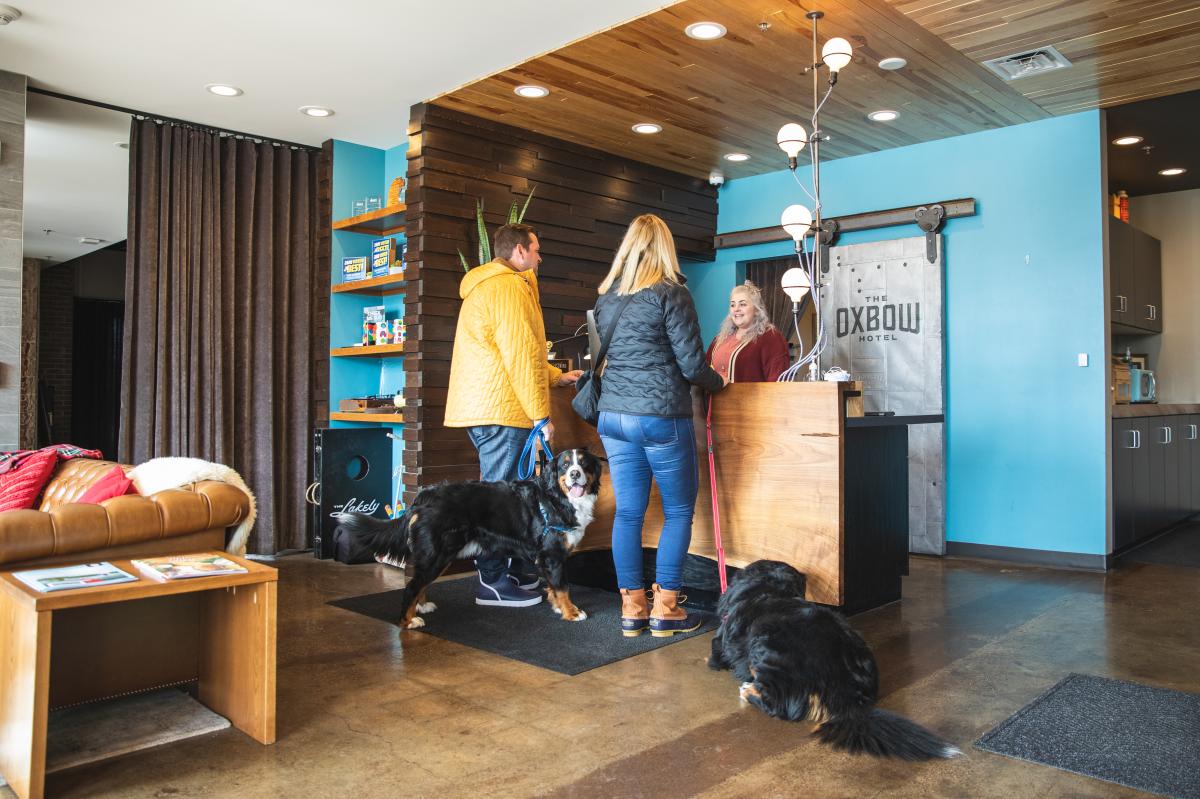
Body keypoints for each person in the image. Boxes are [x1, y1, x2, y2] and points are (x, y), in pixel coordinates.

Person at [591, 214, 725, 637]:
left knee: (628, 512)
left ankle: (632, 607)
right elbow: (691, 365)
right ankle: (666, 609)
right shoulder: (672, 293)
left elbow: (603, 359)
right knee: (679, 510)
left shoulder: (606, 298)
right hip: (660, 417)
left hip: (612, 417)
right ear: (665, 247)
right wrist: (718, 382)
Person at [445, 222, 583, 607]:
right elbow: (519, 356)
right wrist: (542, 416)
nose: (540, 257)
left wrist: (556, 378)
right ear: (519, 252)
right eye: (536, 250)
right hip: (502, 410)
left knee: (507, 495)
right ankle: (490, 581)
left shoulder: (490, 285)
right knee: (498, 500)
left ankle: (506, 574)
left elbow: (517, 353)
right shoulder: (508, 287)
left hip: (489, 407)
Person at [705, 281, 791, 383]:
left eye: (743, 304)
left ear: (757, 310)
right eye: (732, 305)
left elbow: (778, 382)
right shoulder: (719, 339)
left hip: (751, 398)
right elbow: (705, 372)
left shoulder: (770, 337)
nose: (736, 309)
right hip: (715, 399)